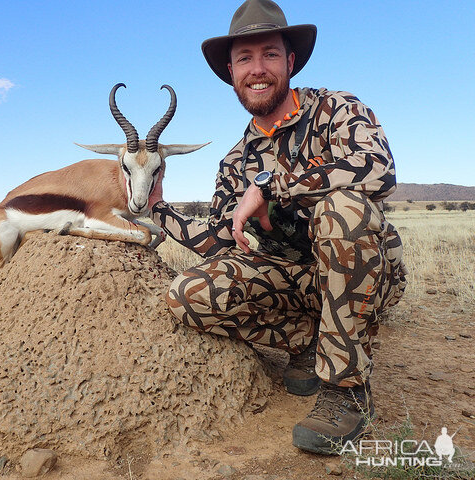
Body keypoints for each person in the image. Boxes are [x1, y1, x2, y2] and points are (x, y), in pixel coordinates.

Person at [148, 0, 408, 455]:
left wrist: (274, 188)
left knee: (342, 208)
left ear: (289, 61)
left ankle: (346, 388)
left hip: (368, 278)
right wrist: (157, 209)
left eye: (269, 53)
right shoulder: (233, 162)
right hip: (295, 284)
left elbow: (378, 169)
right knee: (186, 294)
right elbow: (220, 240)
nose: (257, 69)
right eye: (244, 59)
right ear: (231, 72)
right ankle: (311, 340)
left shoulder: (335, 108)